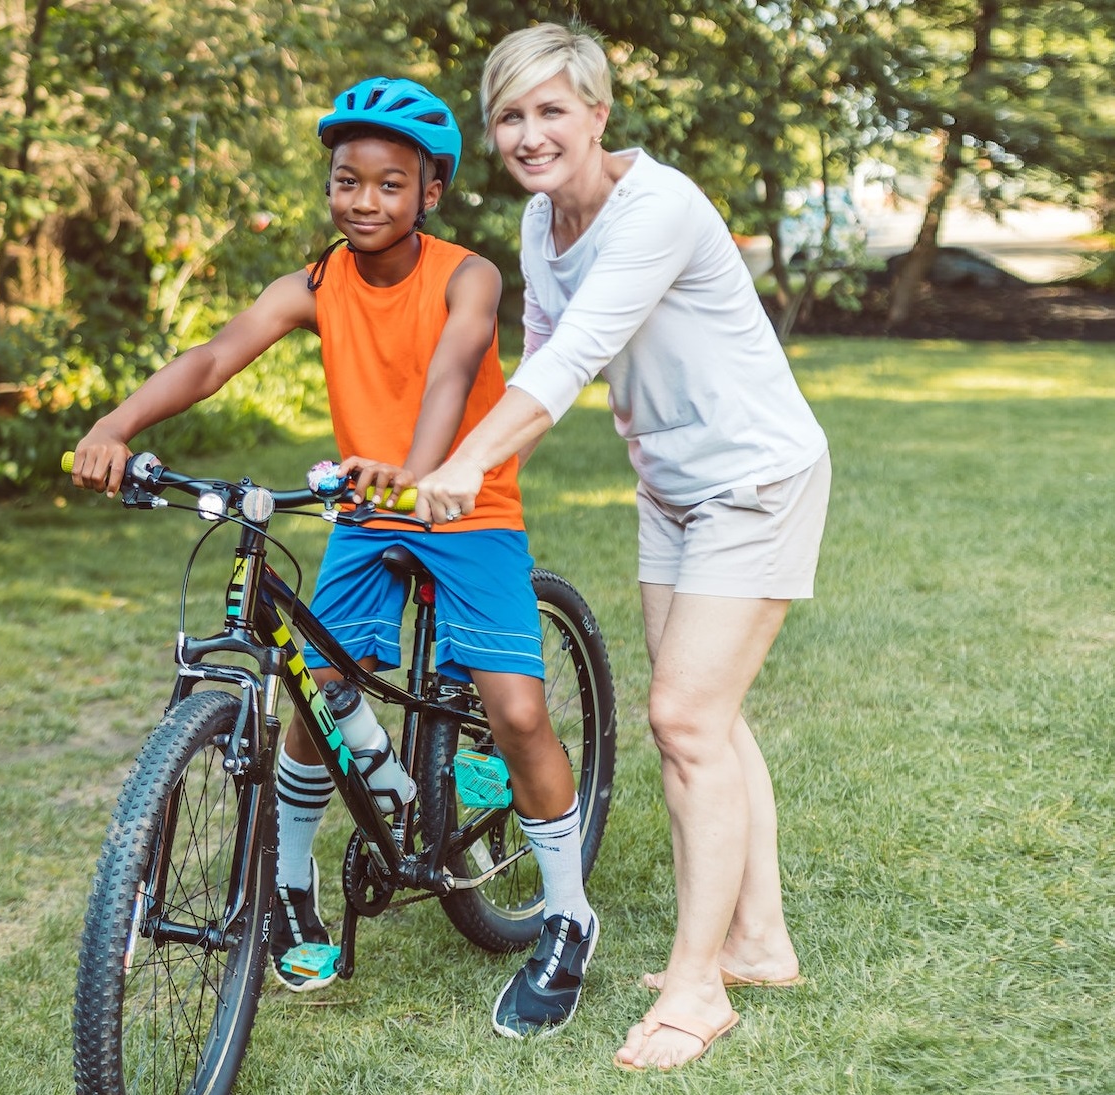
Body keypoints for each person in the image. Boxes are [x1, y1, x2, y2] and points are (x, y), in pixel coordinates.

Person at [68, 75, 597, 1038]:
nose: (364, 201)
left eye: (389, 185)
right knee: (313, 692)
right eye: (346, 181)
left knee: (517, 711)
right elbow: (212, 358)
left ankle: (566, 915)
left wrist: (419, 468)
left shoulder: (465, 273)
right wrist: (115, 424)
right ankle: (293, 887)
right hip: (364, 508)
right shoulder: (312, 284)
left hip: (463, 502)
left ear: (428, 193)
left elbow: (452, 363)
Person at [414, 23, 830, 1071]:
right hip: (672, 491)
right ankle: (760, 941)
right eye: (511, 114)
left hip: (756, 478)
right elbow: (546, 349)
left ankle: (698, 990)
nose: (530, 133)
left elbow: (574, 361)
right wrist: (471, 463)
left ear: (600, 113)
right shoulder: (540, 224)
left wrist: (463, 467)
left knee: (684, 718)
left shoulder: (659, 207)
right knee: (707, 721)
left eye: (553, 109)